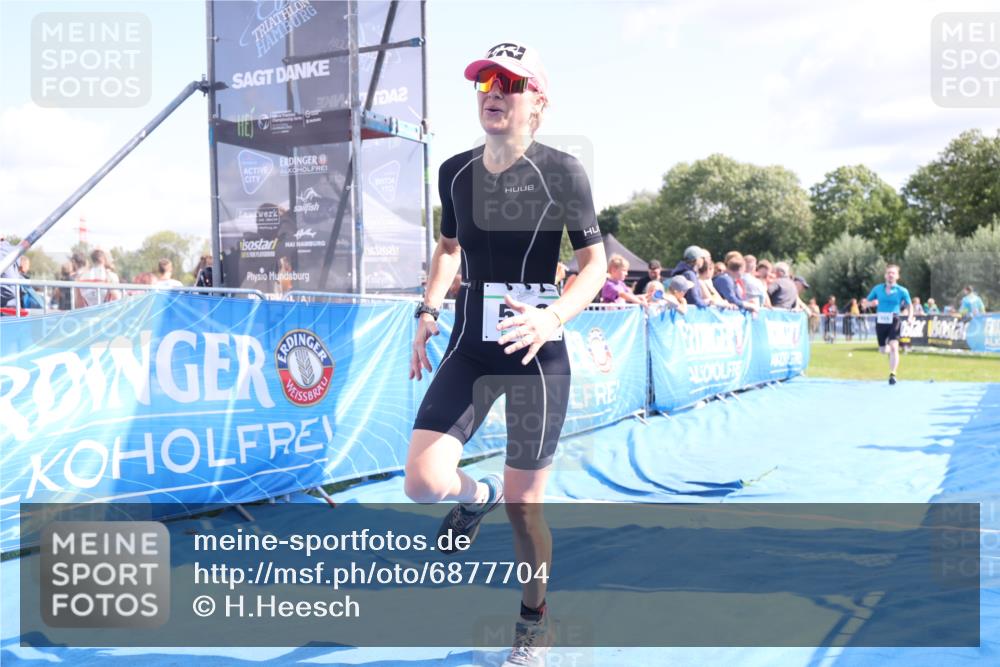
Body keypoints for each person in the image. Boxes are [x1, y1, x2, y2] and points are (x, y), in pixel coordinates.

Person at [405, 41, 606, 666]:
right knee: (422, 482)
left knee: (526, 508)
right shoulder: (454, 172)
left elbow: (594, 264)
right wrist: (429, 309)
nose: (494, 91)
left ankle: (533, 619)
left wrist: (552, 316)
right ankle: (475, 494)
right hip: (470, 344)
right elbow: (448, 250)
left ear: (537, 104)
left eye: (510, 83)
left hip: (535, 349)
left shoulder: (565, 171)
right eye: (486, 81)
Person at [866, 264, 913, 385]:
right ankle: (891, 353)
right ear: (885, 275)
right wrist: (872, 303)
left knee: (894, 346)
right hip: (881, 320)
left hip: (894, 319)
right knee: (883, 350)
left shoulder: (902, 290)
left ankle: (893, 373)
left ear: (897, 276)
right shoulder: (877, 289)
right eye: (888, 273)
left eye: (893, 273)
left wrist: (910, 317)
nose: (890, 275)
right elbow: (866, 302)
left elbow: (909, 305)